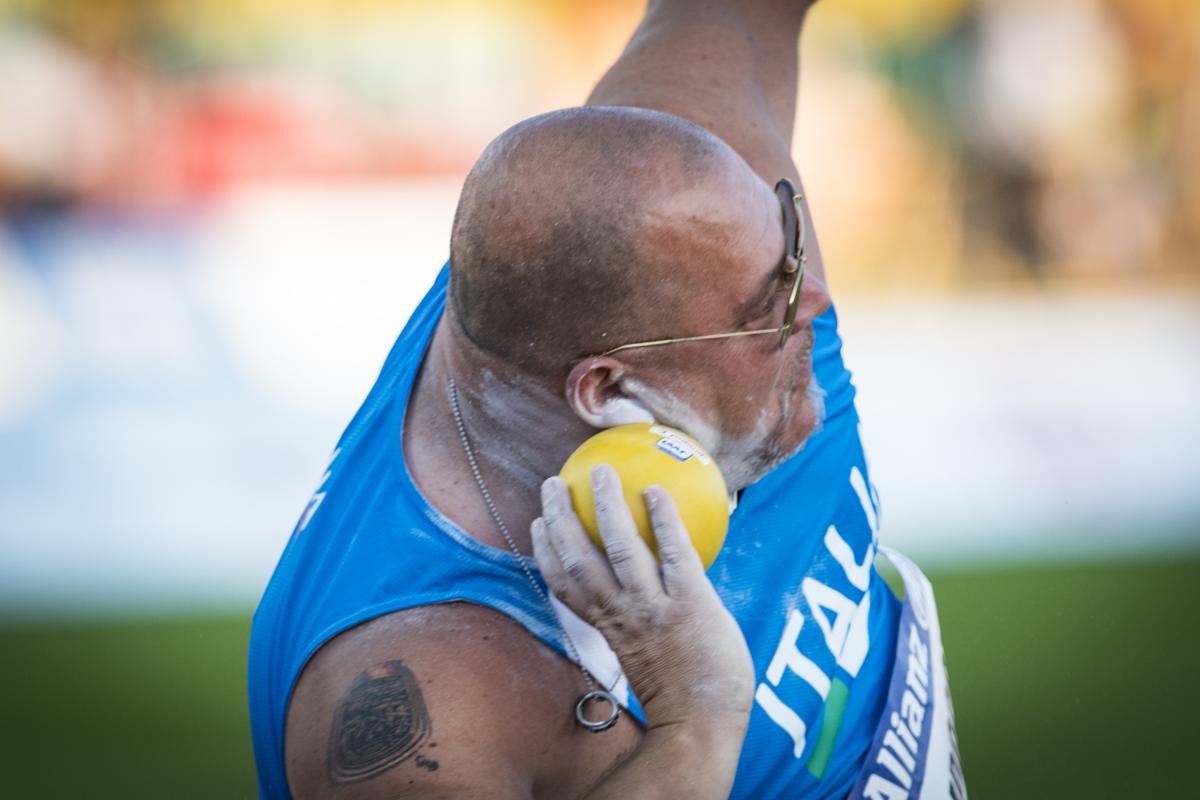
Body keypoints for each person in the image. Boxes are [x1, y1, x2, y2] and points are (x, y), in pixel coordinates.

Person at [248, 1, 965, 798]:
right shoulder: (430, 706)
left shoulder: (692, 203)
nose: (820, 302)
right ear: (609, 388)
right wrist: (696, 719)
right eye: (769, 303)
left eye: (790, 241)